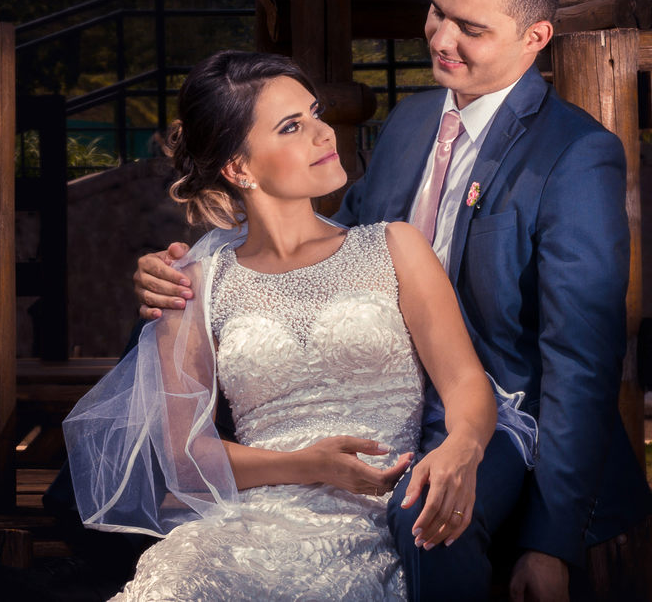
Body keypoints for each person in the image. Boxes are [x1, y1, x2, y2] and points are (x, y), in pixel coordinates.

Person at [135, 0, 651, 600]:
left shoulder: (574, 155)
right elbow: (333, 251)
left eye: (471, 27)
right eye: (437, 10)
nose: (440, 38)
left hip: (504, 418)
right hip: (378, 409)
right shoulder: (410, 123)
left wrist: (549, 541)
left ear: (534, 39)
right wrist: (188, 271)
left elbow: (582, 361)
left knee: (429, 516)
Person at [65, 51, 507, 600]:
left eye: (315, 114)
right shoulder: (195, 281)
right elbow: (185, 456)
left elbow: (466, 382)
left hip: (367, 526)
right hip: (242, 530)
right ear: (238, 168)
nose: (324, 134)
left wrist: (461, 446)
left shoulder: (394, 248)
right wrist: (309, 465)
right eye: (292, 126)